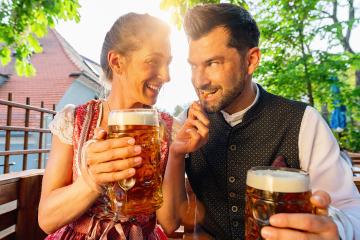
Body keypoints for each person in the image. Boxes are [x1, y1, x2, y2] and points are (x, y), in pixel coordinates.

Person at [157, 3, 360, 240]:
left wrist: (335, 229)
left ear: (251, 60)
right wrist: (176, 155)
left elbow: (351, 210)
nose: (199, 81)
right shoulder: (187, 122)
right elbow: (169, 224)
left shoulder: (303, 121)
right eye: (194, 66)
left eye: (213, 63)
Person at [39, 13, 175, 239]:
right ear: (117, 62)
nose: (166, 75)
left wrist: (177, 154)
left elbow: (169, 224)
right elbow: (46, 220)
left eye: (168, 63)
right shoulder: (73, 120)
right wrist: (91, 182)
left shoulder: (168, 128)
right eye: (153, 61)